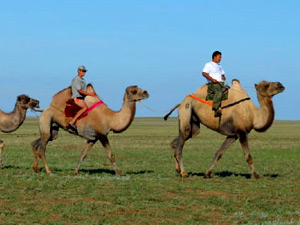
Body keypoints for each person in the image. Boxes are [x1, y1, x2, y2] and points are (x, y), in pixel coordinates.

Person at [68, 65, 96, 131]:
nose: (84, 72)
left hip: (82, 98)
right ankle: (72, 122)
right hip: (77, 97)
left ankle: (78, 124)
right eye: (82, 71)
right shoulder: (76, 79)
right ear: (78, 71)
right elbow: (80, 91)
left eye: (85, 71)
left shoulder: (83, 80)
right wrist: (90, 94)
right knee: (85, 108)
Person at [202, 51, 226, 117]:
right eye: (219, 57)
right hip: (213, 83)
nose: (220, 59)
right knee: (219, 92)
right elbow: (204, 73)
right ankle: (216, 109)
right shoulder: (209, 64)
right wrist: (212, 79)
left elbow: (222, 74)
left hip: (221, 83)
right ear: (214, 57)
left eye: (221, 57)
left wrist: (223, 77)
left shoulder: (219, 66)